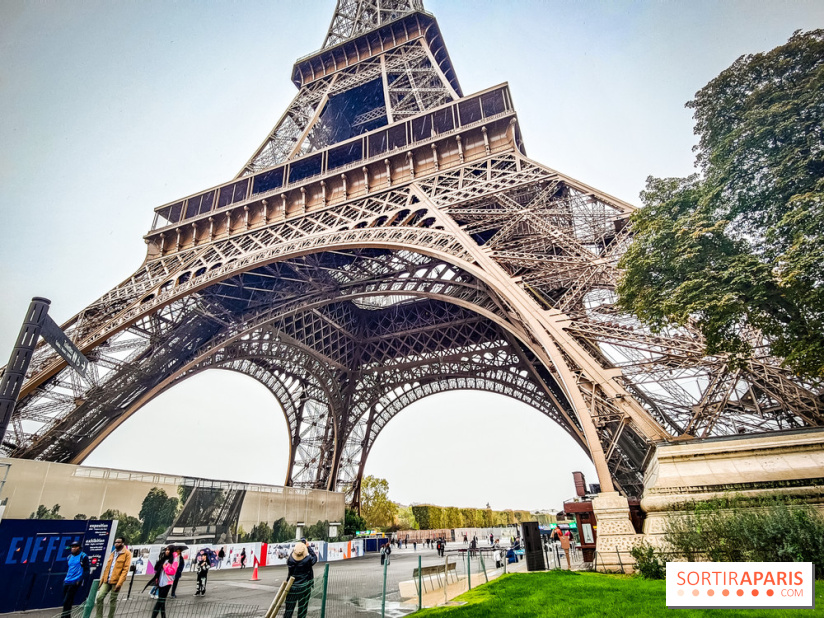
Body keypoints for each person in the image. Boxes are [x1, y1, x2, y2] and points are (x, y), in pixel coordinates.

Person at [96, 537, 131, 618]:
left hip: (116, 582)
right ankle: (98, 616)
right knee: (99, 598)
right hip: (107, 580)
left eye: (118, 542)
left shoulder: (127, 554)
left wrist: (119, 583)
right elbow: (107, 568)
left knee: (112, 600)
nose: (116, 544)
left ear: (122, 543)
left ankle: (110, 616)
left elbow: (125, 570)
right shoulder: (113, 553)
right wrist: (101, 582)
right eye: (115, 542)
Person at [284, 542, 317, 618]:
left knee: (288, 610)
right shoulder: (307, 560)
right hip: (304, 588)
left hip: (291, 587)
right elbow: (315, 558)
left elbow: (294, 554)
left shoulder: (290, 560)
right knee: (302, 610)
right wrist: (308, 547)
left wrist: (297, 549)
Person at [62, 541, 90, 618]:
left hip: (75, 581)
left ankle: (64, 616)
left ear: (79, 547)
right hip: (67, 580)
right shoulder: (69, 557)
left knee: (67, 600)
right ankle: (67, 616)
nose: (73, 548)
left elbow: (87, 570)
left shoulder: (83, 556)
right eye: (72, 547)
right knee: (66, 600)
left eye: (75, 546)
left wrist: (80, 580)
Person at [150, 547, 178, 618]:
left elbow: (172, 571)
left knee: (159, 601)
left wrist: (165, 567)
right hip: (160, 582)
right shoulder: (164, 559)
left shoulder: (174, 560)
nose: (167, 551)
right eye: (166, 550)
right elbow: (156, 568)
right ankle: (163, 616)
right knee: (162, 601)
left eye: (169, 550)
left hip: (167, 582)